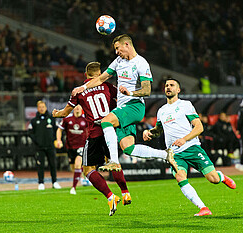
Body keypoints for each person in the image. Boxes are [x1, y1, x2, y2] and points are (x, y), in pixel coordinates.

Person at [72, 34, 173, 172]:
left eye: (118, 48)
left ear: (127, 44)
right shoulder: (118, 61)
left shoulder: (141, 63)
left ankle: (114, 161)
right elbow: (101, 78)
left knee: (106, 121)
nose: (116, 52)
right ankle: (165, 154)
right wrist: (83, 87)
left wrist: (130, 93)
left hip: (134, 106)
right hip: (123, 109)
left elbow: (147, 90)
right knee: (128, 148)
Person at [142, 78, 236, 216]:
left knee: (213, 179)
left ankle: (220, 176)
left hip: (192, 147)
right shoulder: (161, 111)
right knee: (180, 177)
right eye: (166, 85)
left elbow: (199, 127)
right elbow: (158, 130)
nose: (168, 87)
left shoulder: (186, 105)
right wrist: (149, 132)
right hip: (174, 153)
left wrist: (184, 139)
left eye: (172, 85)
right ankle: (203, 208)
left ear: (178, 90)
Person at [53, 62, 131, 216]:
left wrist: (57, 113)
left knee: (87, 169)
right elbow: (122, 101)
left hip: (95, 133)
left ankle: (110, 196)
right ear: (100, 73)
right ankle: (125, 192)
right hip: (110, 130)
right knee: (113, 162)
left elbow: (64, 113)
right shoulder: (108, 86)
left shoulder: (79, 91)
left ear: (86, 74)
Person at [28, 100, 62, 190]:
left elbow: (57, 130)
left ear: (46, 108)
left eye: (43, 107)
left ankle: (54, 182)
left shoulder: (51, 118)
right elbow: (30, 133)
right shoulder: (34, 121)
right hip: (39, 147)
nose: (41, 109)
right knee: (40, 165)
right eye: (40, 107)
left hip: (50, 146)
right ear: (37, 108)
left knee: (53, 164)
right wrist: (37, 141)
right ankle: (41, 182)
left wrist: (56, 140)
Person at [56, 105, 88, 195]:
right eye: (76, 106)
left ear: (82, 108)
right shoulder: (67, 119)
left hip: (81, 146)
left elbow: (89, 131)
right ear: (73, 108)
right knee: (73, 168)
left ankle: (73, 187)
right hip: (70, 147)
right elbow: (59, 130)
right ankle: (83, 176)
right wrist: (58, 140)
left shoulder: (85, 119)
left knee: (78, 164)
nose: (77, 107)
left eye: (79, 106)